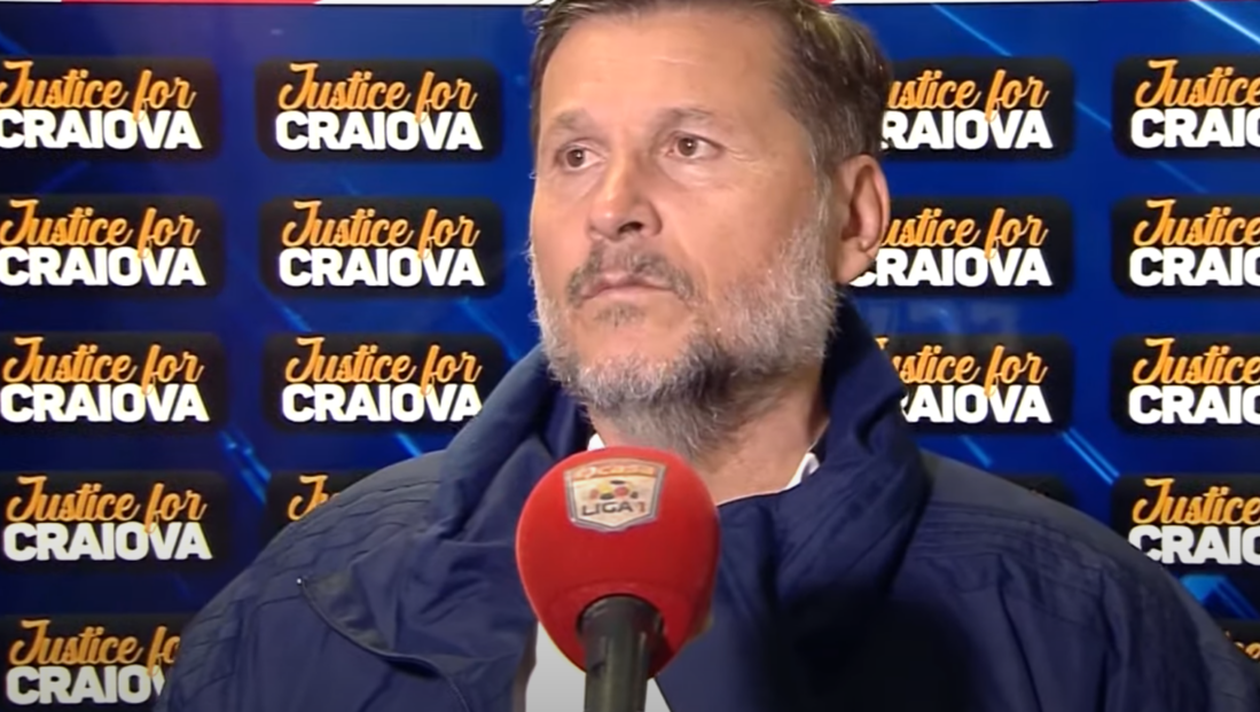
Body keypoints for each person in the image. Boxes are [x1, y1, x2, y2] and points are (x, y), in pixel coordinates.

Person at [157, 0, 1260, 710]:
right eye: (574, 155)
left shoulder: (1089, 623)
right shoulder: (307, 598)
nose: (613, 207)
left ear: (854, 218)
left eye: (688, 146)